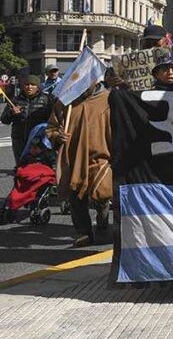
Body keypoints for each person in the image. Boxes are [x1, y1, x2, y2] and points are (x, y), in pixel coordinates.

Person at [46, 82, 112, 247]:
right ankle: (83, 232)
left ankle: (103, 225)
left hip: (101, 156)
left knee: (103, 193)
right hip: (73, 158)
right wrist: (56, 137)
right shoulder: (65, 102)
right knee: (75, 197)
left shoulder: (108, 99)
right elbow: (51, 128)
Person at [1, 75, 55, 163]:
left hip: (38, 139)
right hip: (19, 139)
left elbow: (52, 120)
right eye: (27, 84)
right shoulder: (15, 100)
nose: (29, 87)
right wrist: (11, 113)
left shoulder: (47, 100)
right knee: (21, 165)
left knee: (38, 166)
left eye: (33, 85)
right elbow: (4, 120)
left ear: (38, 87)